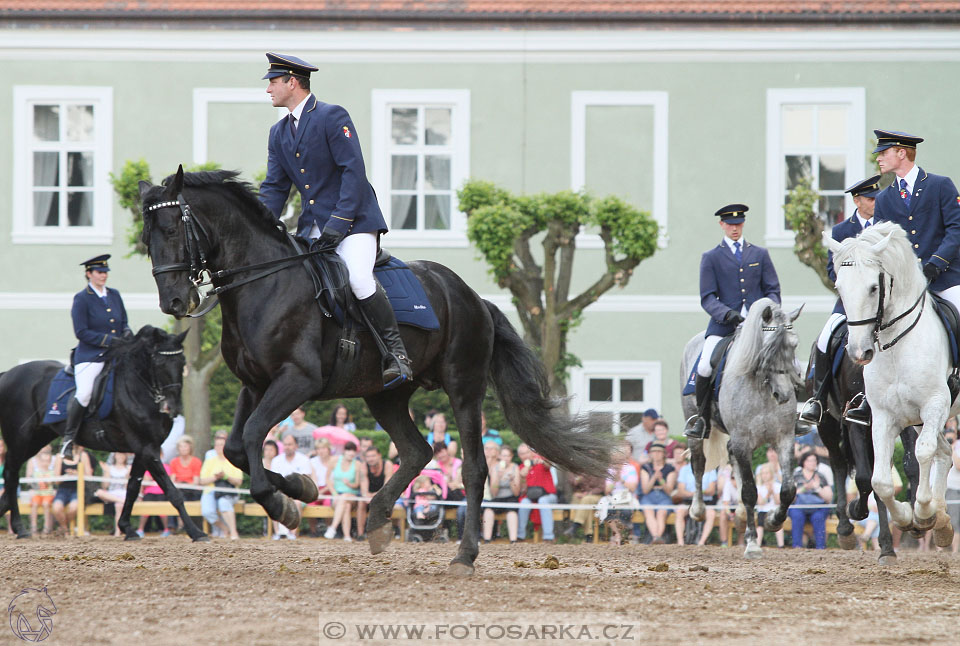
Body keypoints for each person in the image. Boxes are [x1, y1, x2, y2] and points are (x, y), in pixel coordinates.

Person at [258, 52, 411, 387]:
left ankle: (395, 353)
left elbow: (353, 173)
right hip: (313, 226)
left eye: (273, 81)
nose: (268, 89)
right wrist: (255, 227)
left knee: (356, 278)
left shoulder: (331, 116)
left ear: (292, 82)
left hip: (354, 221)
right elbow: (273, 189)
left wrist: (338, 225)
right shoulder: (278, 133)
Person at [846, 130, 960, 425]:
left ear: (901, 152)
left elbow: (955, 230)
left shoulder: (940, 186)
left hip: (944, 278)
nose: (879, 158)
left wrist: (936, 263)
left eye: (883, 153)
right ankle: (868, 398)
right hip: (905, 286)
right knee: (873, 323)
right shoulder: (884, 198)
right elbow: (882, 243)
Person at [685, 204, 781, 440]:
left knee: (788, 360)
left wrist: (767, 311)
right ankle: (703, 419)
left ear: (743, 224)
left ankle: (790, 416)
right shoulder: (711, 257)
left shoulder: (759, 254)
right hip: (724, 325)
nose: (734, 228)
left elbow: (773, 290)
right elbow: (707, 297)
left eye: (738, 224)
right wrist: (727, 314)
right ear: (722, 225)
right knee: (705, 366)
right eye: (730, 224)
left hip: (760, 326)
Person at [799, 175, 882, 424]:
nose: (875, 202)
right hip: (848, 304)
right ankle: (818, 398)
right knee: (824, 340)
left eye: (876, 197)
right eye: (869, 199)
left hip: (878, 303)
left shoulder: (884, 228)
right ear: (857, 201)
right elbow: (830, 269)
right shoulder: (842, 230)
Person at [61, 254, 131, 459]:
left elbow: (123, 321)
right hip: (92, 355)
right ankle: (68, 439)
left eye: (106, 272)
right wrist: (109, 341)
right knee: (84, 393)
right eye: (100, 272)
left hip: (118, 352)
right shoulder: (82, 298)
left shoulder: (114, 295)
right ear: (89, 274)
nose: (104, 276)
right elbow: (81, 332)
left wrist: (127, 334)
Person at [199, 430, 242, 540]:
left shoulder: (233, 460)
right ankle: (224, 528)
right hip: (211, 490)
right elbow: (202, 481)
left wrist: (226, 477)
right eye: (217, 445)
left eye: (221, 445)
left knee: (224, 503)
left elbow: (239, 481)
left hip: (229, 491)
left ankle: (233, 532)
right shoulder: (210, 461)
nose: (219, 447)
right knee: (207, 511)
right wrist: (215, 477)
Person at [672, 446, 719, 546]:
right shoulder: (684, 469)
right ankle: (680, 541)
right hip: (688, 501)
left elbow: (711, 490)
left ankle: (701, 542)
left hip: (705, 502)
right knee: (680, 511)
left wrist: (698, 493)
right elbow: (681, 490)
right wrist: (696, 493)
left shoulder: (710, 469)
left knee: (711, 514)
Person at [271, 435, 314, 539]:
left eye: (290, 444)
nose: (287, 447)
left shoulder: (303, 460)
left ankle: (292, 533)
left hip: (299, 495)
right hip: (280, 492)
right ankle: (278, 533)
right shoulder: (276, 460)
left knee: (296, 502)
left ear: (296, 446)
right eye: (285, 444)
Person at [788, 451, 833, 549]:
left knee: (818, 517)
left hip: (817, 507)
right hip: (799, 506)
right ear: (804, 462)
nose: (812, 463)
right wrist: (805, 488)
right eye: (809, 460)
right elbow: (790, 497)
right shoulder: (796, 476)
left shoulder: (821, 476)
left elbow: (829, 498)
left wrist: (817, 488)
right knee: (797, 516)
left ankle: (821, 547)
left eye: (814, 460)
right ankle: (797, 547)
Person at [638, 443, 677, 544]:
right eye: (653, 452)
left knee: (661, 513)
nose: (656, 454)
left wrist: (661, 480)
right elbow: (645, 490)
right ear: (650, 454)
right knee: (648, 512)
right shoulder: (646, 468)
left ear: (664, 454)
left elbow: (669, 491)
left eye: (659, 452)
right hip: (649, 496)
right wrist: (654, 478)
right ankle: (657, 537)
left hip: (663, 496)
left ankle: (656, 538)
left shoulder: (670, 469)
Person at [51, 445, 93, 536]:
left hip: (78, 489)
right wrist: (67, 476)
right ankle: (66, 529)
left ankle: (62, 528)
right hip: (63, 489)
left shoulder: (83, 455)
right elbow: (56, 480)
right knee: (56, 508)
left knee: (73, 508)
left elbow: (89, 476)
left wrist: (77, 474)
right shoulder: (60, 456)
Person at [484, 445, 521, 543]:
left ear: (511, 457)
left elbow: (516, 492)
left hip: (511, 497)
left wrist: (512, 480)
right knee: (488, 511)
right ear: (500, 456)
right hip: (498, 498)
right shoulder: (495, 468)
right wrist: (497, 479)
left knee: (512, 513)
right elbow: (494, 492)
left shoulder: (515, 467)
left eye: (508, 456)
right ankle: (487, 540)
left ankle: (513, 541)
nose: (505, 458)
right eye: (503, 456)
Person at [517, 453, 558, 542]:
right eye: (522, 454)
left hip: (548, 495)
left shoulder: (542, 463)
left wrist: (542, 461)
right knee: (524, 502)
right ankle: (520, 536)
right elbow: (522, 489)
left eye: (526, 453)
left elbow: (549, 465)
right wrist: (526, 471)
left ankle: (548, 536)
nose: (525, 456)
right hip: (531, 496)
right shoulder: (522, 467)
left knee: (543, 501)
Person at [166, 435, 202, 534]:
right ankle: (175, 526)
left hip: (191, 489)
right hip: (179, 487)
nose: (183, 449)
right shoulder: (174, 462)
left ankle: (185, 524)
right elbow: (173, 480)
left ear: (190, 448)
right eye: (181, 447)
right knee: (176, 496)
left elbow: (196, 481)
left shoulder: (196, 461)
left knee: (185, 497)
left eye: (185, 446)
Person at [325, 442, 361, 541]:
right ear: (344, 451)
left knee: (345, 498)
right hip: (337, 495)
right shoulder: (334, 461)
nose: (351, 453)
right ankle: (347, 536)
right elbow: (327, 479)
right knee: (346, 506)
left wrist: (349, 484)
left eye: (353, 451)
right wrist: (334, 493)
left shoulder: (357, 464)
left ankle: (333, 527)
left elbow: (357, 485)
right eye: (349, 450)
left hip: (352, 494)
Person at [357, 444, 394, 541]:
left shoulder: (387, 465)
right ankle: (360, 534)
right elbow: (363, 487)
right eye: (368, 457)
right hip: (369, 496)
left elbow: (387, 487)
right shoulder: (364, 466)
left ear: (379, 455)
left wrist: (374, 496)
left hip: (384, 494)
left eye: (373, 456)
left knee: (383, 504)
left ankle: (382, 535)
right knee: (361, 503)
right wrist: (366, 496)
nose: (370, 459)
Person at [95, 452, 132, 537]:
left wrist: (128, 475)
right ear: (114, 456)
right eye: (118, 454)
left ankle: (117, 531)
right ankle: (122, 501)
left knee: (119, 506)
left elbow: (128, 487)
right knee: (99, 492)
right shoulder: (109, 468)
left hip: (123, 492)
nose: (120, 456)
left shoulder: (128, 468)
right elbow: (105, 486)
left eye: (122, 454)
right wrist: (106, 472)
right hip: (111, 494)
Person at [564, 472, 606, 539]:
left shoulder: (599, 470)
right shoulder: (577, 470)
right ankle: (589, 536)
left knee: (586, 500)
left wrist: (588, 493)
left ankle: (575, 525)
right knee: (586, 505)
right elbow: (573, 482)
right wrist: (579, 478)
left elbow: (601, 488)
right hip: (582, 497)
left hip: (596, 496)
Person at [26, 446, 55, 536]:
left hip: (48, 493)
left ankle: (47, 528)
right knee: (34, 504)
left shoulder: (53, 463)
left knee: (46, 504)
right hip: (37, 492)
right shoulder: (32, 461)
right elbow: (29, 480)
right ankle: (33, 527)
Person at [755, 462, 784, 548]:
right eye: (763, 473)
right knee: (760, 524)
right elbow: (760, 502)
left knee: (778, 523)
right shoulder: (759, 487)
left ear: (771, 474)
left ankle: (781, 545)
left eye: (767, 473)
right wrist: (768, 494)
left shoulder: (778, 486)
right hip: (763, 511)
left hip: (774, 510)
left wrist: (773, 492)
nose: (764, 475)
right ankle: (757, 544)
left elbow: (778, 501)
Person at [945, 437, 960, 553]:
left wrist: (953, 450)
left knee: (956, 522)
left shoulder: (957, 447)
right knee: (951, 521)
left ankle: (955, 550)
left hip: (956, 488)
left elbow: (958, 465)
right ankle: (940, 550)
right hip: (949, 488)